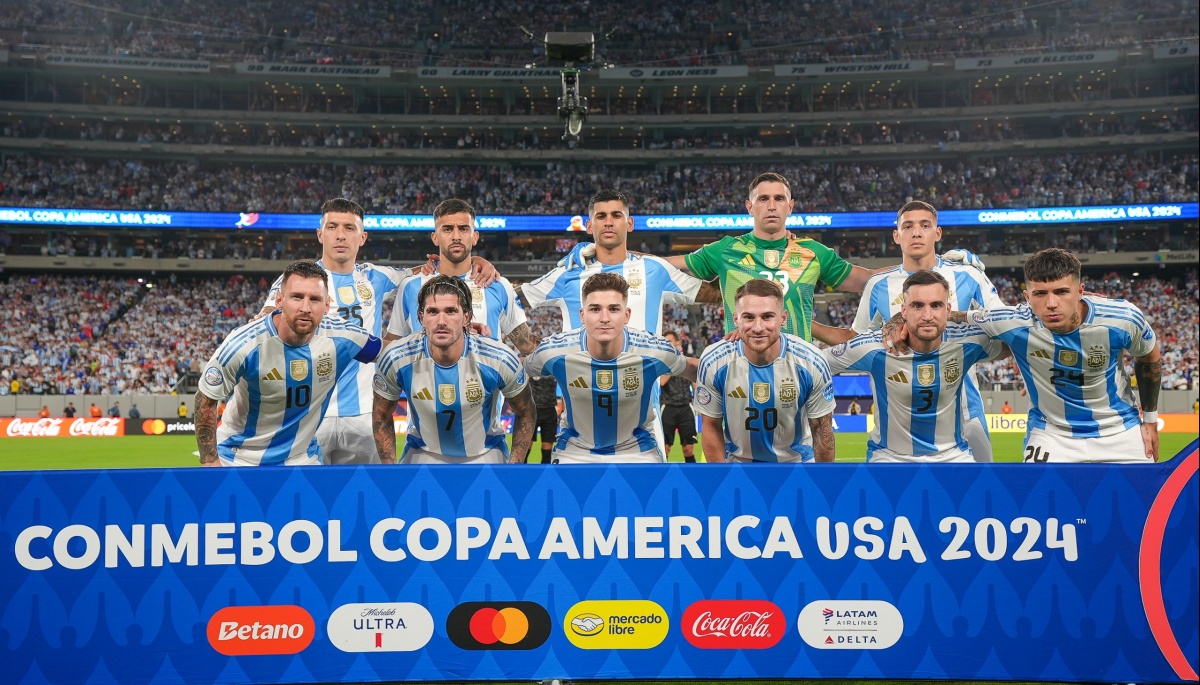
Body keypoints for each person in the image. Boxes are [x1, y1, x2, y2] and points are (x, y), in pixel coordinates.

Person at [889, 248, 1163, 463]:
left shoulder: (1122, 317)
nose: (1051, 303)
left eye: (1062, 292)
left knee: (1145, 507)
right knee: (1036, 509)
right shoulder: (1011, 320)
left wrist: (1150, 422)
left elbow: (1150, 359)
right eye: (1040, 294)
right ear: (1027, 296)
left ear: (1080, 291)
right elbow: (949, 315)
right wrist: (897, 321)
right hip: (1051, 435)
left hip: (1120, 429)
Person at [821, 200, 1006, 463]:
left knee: (978, 487)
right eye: (908, 226)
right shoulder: (879, 285)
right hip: (898, 420)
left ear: (938, 233)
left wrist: (960, 315)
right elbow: (856, 340)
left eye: (925, 225)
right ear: (896, 236)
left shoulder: (968, 276)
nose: (916, 233)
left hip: (966, 412)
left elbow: (1004, 328)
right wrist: (807, 324)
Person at [196, 260, 382, 466]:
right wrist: (210, 463)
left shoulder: (344, 336)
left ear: (327, 305)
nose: (305, 308)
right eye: (297, 297)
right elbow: (206, 398)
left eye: (315, 299)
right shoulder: (244, 344)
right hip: (239, 457)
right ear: (279, 300)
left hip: (302, 459)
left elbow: (389, 355)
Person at [525, 273, 698, 463]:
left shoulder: (655, 350)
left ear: (627, 315)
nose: (604, 318)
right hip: (574, 452)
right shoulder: (554, 352)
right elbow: (517, 372)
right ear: (582, 315)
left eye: (614, 309)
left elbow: (697, 370)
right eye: (595, 309)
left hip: (638, 451)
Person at [372, 275, 535, 464]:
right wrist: (390, 472)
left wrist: (513, 467)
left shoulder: (499, 359)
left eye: (451, 311)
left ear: (466, 317)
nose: (441, 321)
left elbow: (526, 411)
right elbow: (381, 415)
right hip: (421, 454)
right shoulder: (396, 358)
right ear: (421, 318)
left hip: (486, 454)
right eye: (433, 312)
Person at [519, 189, 717, 335]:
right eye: (601, 216)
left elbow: (717, 295)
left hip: (641, 382)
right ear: (589, 226)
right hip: (579, 381)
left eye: (616, 215)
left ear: (629, 224)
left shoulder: (656, 270)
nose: (608, 222)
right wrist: (531, 347)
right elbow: (509, 300)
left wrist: (722, 255)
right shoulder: (568, 271)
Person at [694, 278, 836, 463]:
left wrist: (820, 480)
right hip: (738, 465)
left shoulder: (811, 361)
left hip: (797, 465)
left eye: (767, 316)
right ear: (736, 319)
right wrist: (722, 478)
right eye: (749, 317)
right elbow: (711, 426)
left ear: (783, 318)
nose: (758, 327)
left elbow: (822, 431)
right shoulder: (714, 360)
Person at [387, 199, 538, 355]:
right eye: (447, 229)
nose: (456, 236)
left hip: (485, 371)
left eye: (464, 229)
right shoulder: (411, 286)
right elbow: (391, 347)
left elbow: (528, 346)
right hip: (424, 371)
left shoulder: (497, 284)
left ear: (475, 237)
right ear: (435, 237)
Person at [659, 330, 698, 463]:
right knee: (665, 449)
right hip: (667, 407)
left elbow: (695, 384)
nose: (667, 345)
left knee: (688, 449)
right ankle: (663, 476)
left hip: (686, 407)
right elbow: (662, 382)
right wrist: (672, 361)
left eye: (669, 342)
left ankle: (691, 475)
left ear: (678, 343)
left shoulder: (688, 360)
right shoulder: (661, 362)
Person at [529, 372, 560, 464]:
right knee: (526, 444)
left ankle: (546, 470)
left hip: (550, 410)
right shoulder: (531, 367)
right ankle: (522, 469)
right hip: (531, 411)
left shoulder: (554, 369)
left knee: (547, 446)